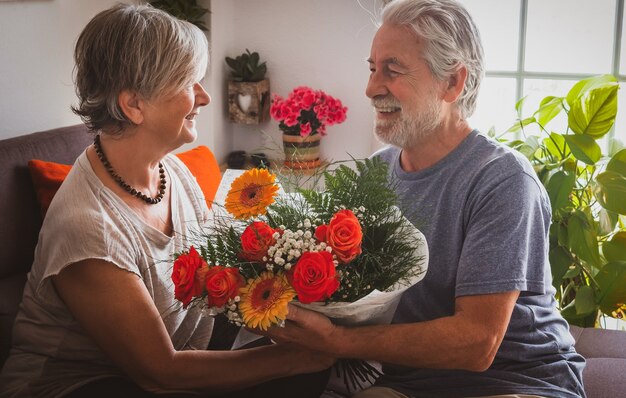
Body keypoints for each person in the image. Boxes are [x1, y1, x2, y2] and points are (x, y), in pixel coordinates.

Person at [0, 4, 333, 398]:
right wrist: (297, 358)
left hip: (183, 349)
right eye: (190, 82)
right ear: (134, 105)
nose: (204, 96)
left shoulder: (172, 171)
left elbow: (213, 279)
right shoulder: (89, 228)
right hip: (85, 384)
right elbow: (160, 373)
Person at [261, 0, 587, 397]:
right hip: (408, 381)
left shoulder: (503, 180)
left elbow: (477, 343)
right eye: (372, 68)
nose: (370, 88)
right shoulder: (372, 174)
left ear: (453, 82)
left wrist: (337, 342)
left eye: (392, 70)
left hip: (519, 381)